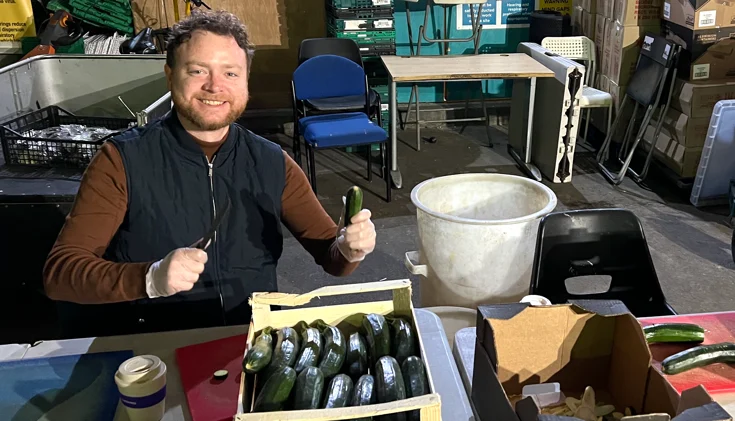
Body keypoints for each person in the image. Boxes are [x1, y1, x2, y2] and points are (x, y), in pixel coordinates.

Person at [42, 10, 377, 338]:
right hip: (158, 347)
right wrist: (149, 278)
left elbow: (331, 257)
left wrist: (350, 249)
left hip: (250, 342)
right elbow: (61, 273)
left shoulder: (272, 162)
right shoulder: (121, 160)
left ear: (246, 80)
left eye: (230, 73)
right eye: (198, 70)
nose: (215, 86)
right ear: (170, 75)